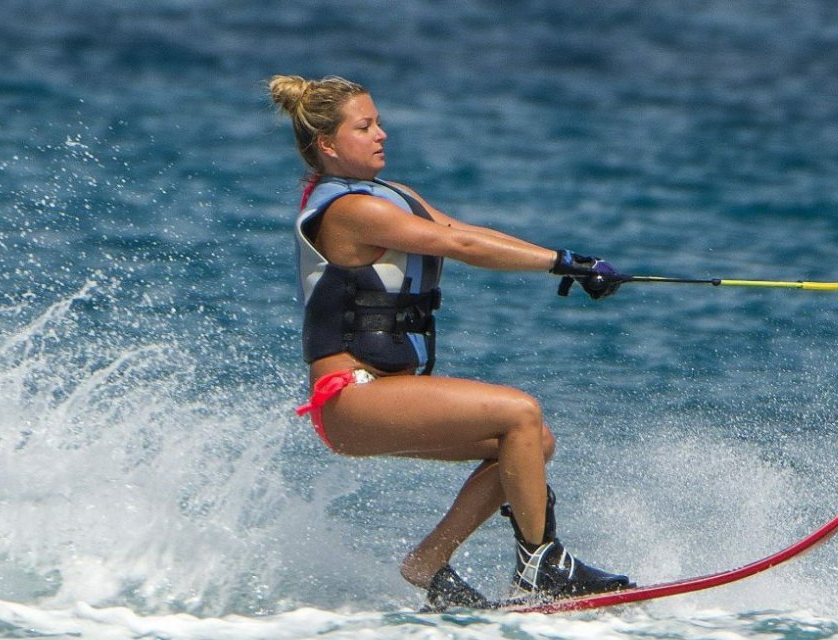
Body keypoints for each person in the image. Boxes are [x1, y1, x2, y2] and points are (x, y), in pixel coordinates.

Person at [269, 74, 632, 609]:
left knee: (532, 442)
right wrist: (562, 264)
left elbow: (463, 228)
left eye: (379, 122)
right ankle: (542, 567)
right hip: (350, 395)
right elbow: (456, 244)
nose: (382, 134)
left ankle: (429, 561)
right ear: (327, 145)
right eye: (365, 127)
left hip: (385, 389)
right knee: (519, 413)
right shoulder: (350, 211)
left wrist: (571, 261)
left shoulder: (391, 196)